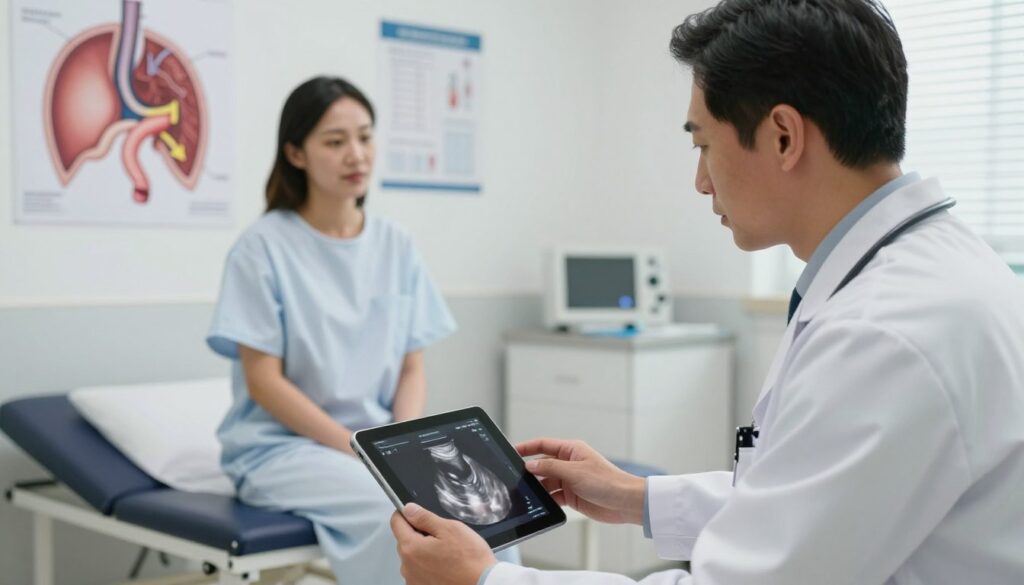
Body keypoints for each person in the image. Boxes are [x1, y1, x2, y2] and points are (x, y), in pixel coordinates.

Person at [389, 1, 1024, 584]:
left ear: (783, 136)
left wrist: (487, 580)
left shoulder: (883, 335)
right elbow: (815, 504)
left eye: (703, 144)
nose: (700, 181)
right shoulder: (933, 274)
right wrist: (638, 497)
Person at [206, 76, 519, 584]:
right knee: (401, 518)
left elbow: (411, 366)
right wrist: (362, 450)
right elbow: (263, 382)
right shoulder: (260, 248)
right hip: (282, 451)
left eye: (365, 137)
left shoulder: (396, 244)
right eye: (335, 141)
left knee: (485, 506)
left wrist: (405, 446)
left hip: (377, 444)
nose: (356, 154)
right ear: (296, 153)